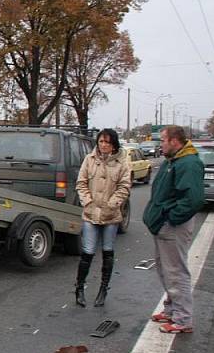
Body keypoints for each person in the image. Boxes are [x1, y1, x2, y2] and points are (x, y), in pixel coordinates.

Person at [142, 126, 204, 333]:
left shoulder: (188, 163)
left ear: (174, 141)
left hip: (173, 226)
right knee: (166, 270)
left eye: (163, 141)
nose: (160, 145)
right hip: (164, 224)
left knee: (176, 272)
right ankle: (171, 309)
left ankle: (183, 318)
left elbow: (193, 199)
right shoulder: (175, 161)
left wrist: (170, 218)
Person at [74, 128, 132, 307]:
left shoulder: (122, 162)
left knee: (107, 252)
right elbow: (81, 183)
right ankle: (79, 288)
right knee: (88, 252)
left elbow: (124, 187)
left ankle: (103, 289)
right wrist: (88, 202)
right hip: (91, 213)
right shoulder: (89, 160)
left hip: (111, 215)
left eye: (107, 142)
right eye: (101, 142)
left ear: (113, 144)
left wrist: (112, 204)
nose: (104, 145)